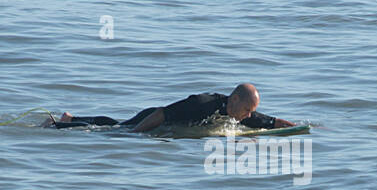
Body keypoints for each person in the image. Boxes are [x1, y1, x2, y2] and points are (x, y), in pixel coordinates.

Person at [49, 83, 294, 132]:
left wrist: (289, 126)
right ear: (235, 100)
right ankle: (61, 124)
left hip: (161, 121)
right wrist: (136, 134)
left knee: (115, 123)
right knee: (118, 129)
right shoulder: (203, 103)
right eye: (248, 109)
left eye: (252, 110)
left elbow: (261, 120)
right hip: (153, 118)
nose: (249, 115)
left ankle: (71, 117)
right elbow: (161, 114)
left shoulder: (236, 112)